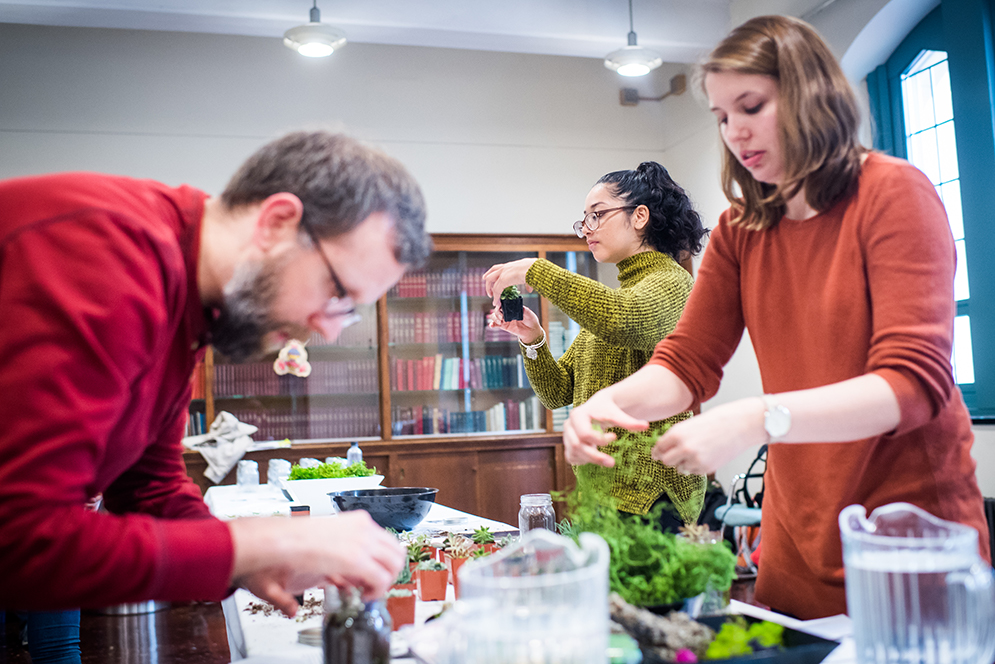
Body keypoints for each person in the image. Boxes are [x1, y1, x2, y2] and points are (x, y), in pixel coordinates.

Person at [561, 15, 990, 620]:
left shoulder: (894, 194)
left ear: (810, 94)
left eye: (751, 106)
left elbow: (913, 385)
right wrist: (608, 404)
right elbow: (687, 363)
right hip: (796, 536)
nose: (734, 131)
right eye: (721, 116)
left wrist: (755, 418)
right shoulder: (741, 229)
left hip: (906, 536)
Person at [0, 131, 430, 615]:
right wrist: (261, 544)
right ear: (276, 223)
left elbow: (150, 488)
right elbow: (19, 537)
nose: (328, 331)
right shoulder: (108, 256)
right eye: (337, 294)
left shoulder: (194, 304)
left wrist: (247, 564)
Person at [484, 162, 709, 529]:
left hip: (653, 497)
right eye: (584, 219)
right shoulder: (617, 297)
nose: (586, 229)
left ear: (639, 216)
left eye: (597, 215)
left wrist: (537, 270)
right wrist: (532, 338)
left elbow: (625, 319)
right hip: (604, 496)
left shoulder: (671, 282)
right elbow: (557, 392)